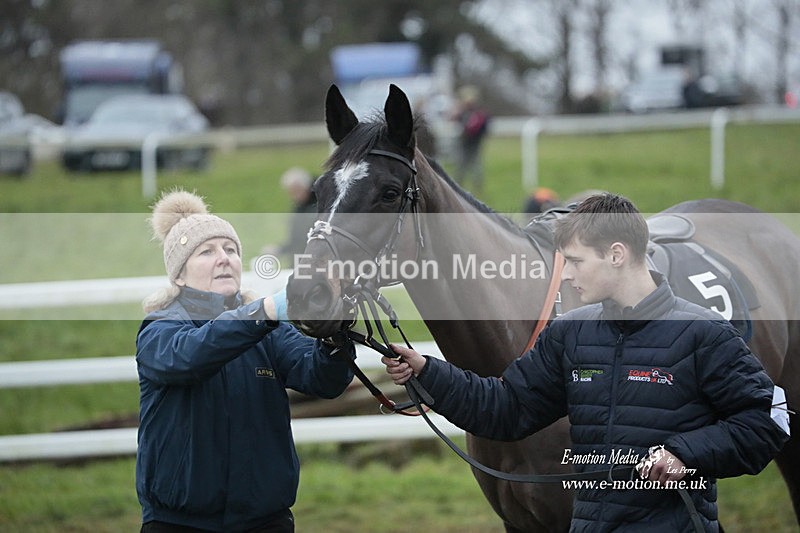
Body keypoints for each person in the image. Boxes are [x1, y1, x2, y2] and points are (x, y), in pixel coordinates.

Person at [383, 193, 789, 531]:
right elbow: (507, 407)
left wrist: (686, 453)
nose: (565, 275)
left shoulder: (704, 333)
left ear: (616, 255)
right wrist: (427, 371)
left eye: (575, 262)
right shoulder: (568, 333)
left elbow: (767, 420)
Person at [136, 189, 354, 532]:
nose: (224, 258)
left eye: (231, 250)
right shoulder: (160, 329)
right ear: (179, 275)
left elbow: (322, 380)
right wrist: (264, 311)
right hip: (179, 523)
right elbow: (188, 357)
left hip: (266, 520)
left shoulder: (267, 329)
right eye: (207, 251)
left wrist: (334, 333)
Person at [264, 167, 317, 265]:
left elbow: (305, 240)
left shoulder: (319, 206)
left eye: (296, 191)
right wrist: (280, 249)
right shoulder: (300, 208)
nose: (295, 196)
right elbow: (296, 240)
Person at [452, 85, 490, 191]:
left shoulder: (467, 112)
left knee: (464, 163)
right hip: (473, 141)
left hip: (467, 141)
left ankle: (459, 185)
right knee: (473, 164)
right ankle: (476, 186)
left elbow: (455, 120)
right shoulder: (479, 111)